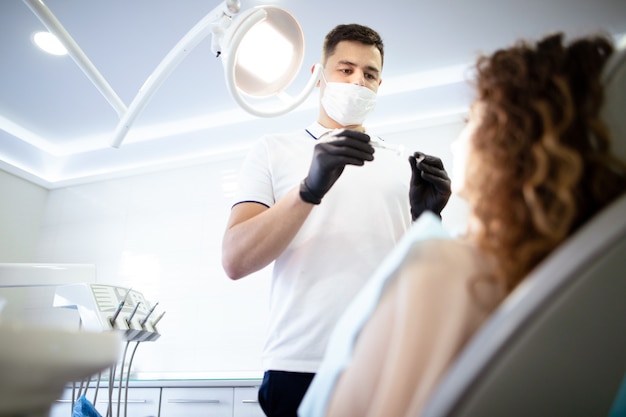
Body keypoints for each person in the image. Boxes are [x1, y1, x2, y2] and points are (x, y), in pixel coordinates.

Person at [298, 32, 626, 417]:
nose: (459, 139)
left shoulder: (445, 266)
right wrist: (427, 221)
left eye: (472, 118)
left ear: (506, 139)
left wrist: (425, 240)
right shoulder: (576, 288)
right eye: (346, 69)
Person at [221, 23, 451, 417]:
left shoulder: (404, 164)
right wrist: (308, 190)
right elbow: (235, 260)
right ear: (318, 77)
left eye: (369, 74)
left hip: (389, 366)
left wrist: (429, 221)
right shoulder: (273, 150)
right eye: (345, 69)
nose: (358, 81)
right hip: (300, 366)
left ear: (380, 85)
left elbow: (431, 289)